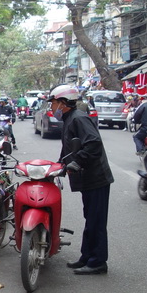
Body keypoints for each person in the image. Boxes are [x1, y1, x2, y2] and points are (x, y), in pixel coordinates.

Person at [47, 85, 114, 275]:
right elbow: (69, 147)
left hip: (96, 178)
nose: (51, 108)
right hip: (86, 178)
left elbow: (93, 143)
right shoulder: (70, 119)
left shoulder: (79, 118)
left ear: (62, 103)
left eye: (53, 103)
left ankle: (98, 262)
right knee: (90, 219)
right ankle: (87, 256)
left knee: (96, 221)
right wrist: (59, 165)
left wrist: (77, 161)